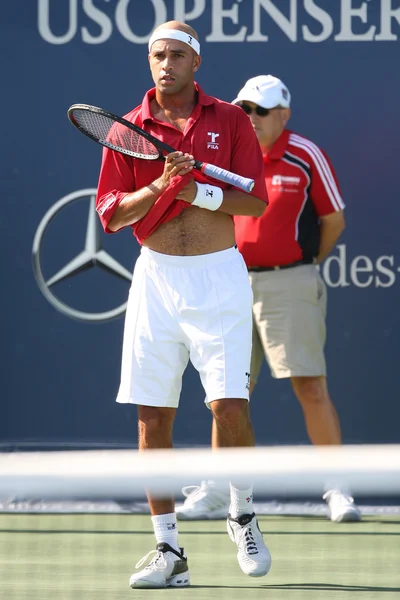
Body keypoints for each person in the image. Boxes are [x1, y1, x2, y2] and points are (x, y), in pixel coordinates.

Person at [95, 24, 272, 589]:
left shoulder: (232, 120)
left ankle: (241, 512)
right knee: (152, 416)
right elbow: (112, 216)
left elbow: (255, 198)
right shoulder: (129, 128)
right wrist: (162, 187)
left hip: (218, 278)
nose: (164, 65)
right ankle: (168, 550)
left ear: (196, 62)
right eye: (156, 56)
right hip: (155, 279)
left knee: (229, 408)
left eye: (175, 55)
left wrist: (200, 190)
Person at [176, 75, 362, 524]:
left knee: (310, 385)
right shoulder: (224, 153)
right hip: (228, 281)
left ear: (284, 114)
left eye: (261, 111)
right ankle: (221, 489)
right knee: (228, 393)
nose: (251, 119)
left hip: (289, 283)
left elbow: (332, 220)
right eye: (245, 110)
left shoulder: (305, 154)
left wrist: (299, 263)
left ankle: (338, 488)